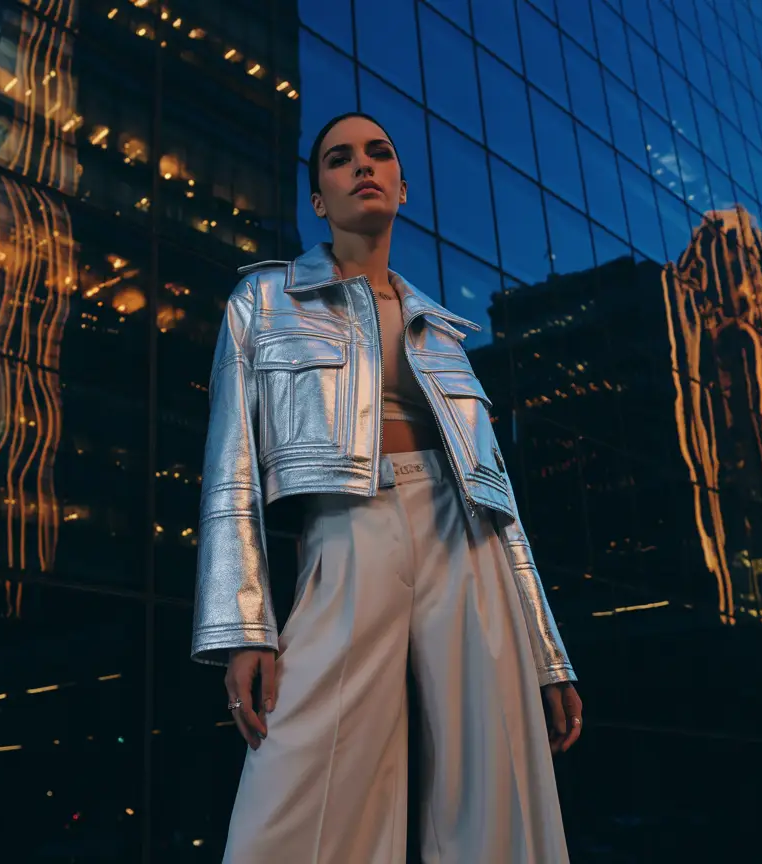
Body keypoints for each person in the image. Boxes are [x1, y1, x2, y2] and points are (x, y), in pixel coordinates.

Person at [192, 112, 582, 863]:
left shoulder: (443, 333)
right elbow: (230, 466)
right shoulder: (263, 302)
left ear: (402, 186)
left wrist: (549, 653)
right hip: (346, 530)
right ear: (318, 198)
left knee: (495, 781)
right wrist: (244, 625)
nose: (362, 166)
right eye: (340, 159)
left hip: (466, 539)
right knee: (301, 773)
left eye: (379, 154)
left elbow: (504, 513)